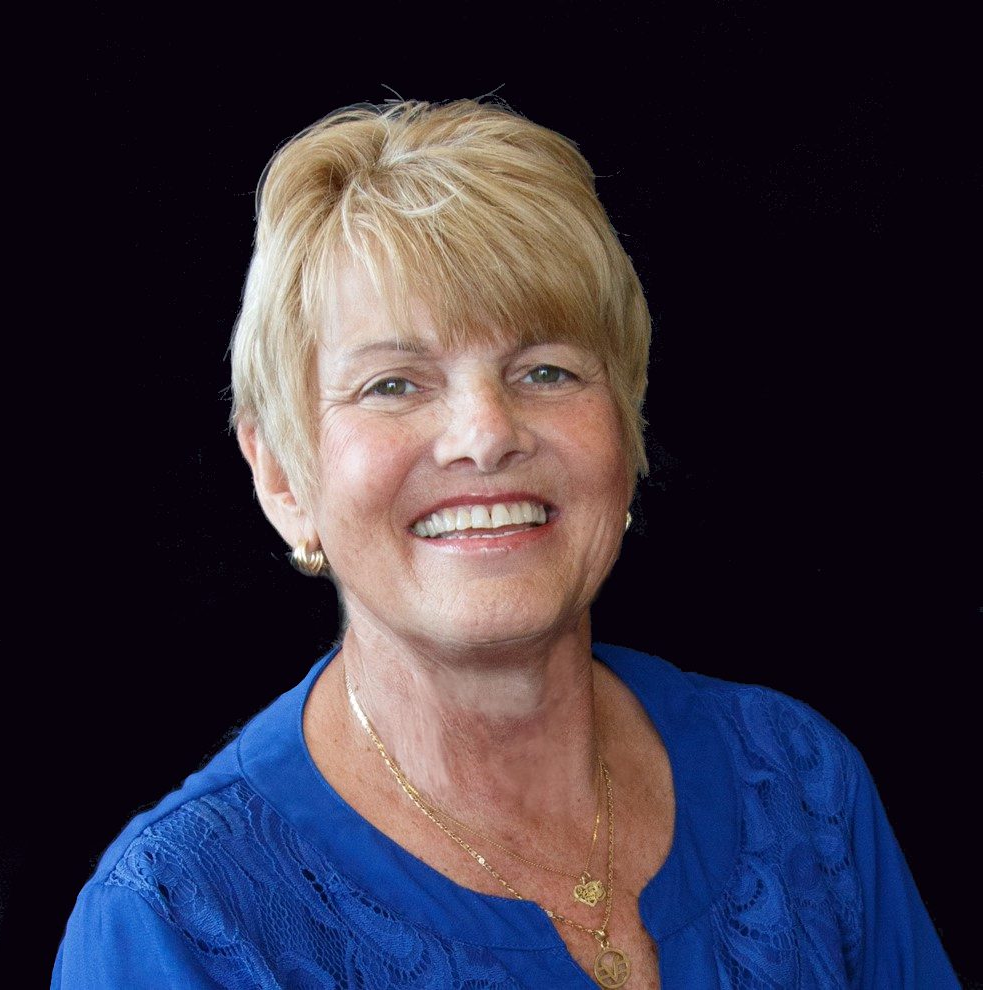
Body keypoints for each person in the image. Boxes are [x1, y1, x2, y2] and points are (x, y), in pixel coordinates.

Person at [51, 99, 958, 988]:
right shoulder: (177, 920)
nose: (485, 435)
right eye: (395, 384)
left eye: (546, 370)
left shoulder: (799, 784)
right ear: (284, 478)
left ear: (626, 428)